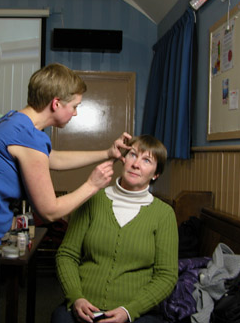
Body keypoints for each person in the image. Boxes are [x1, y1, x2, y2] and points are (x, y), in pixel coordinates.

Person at [0, 63, 132, 323]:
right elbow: (49, 210)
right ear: (56, 103)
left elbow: (51, 158)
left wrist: (107, 154)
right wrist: (93, 185)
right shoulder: (28, 136)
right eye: (75, 106)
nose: (75, 113)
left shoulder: (15, 122)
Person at [52, 134, 178, 323]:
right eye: (133, 155)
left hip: (136, 312)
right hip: (85, 307)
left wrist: (129, 311)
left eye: (146, 161)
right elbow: (67, 254)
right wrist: (76, 297)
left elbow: (166, 275)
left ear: (156, 174)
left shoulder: (164, 214)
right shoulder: (92, 199)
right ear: (123, 159)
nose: (136, 164)